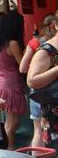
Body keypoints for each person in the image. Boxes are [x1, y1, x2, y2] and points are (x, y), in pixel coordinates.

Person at [0, 11, 27, 149]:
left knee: (10, 121)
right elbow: (22, 65)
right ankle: (11, 150)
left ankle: (10, 148)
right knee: (11, 123)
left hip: (0, 83)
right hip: (12, 85)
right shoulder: (12, 43)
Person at [21, 15, 55, 149]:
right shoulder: (52, 44)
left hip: (39, 93)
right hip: (51, 94)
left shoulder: (35, 42)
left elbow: (22, 68)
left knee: (38, 130)